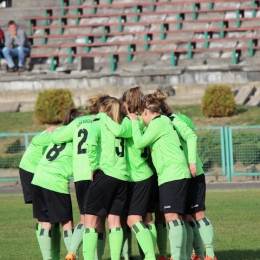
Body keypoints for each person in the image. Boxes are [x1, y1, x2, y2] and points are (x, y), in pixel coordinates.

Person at [128, 90, 192, 260]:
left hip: (173, 174)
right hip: (173, 173)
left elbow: (140, 143)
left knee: (172, 216)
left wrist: (134, 123)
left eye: (142, 116)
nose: (142, 119)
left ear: (145, 112)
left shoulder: (157, 122)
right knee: (178, 217)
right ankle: (183, 256)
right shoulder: (163, 121)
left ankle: (178, 256)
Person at [97, 86, 157, 260]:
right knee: (146, 219)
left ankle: (150, 256)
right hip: (141, 175)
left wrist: (102, 116)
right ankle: (146, 254)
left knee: (133, 220)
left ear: (125, 103)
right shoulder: (144, 120)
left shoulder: (131, 120)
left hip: (138, 176)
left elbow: (119, 131)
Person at [51, 94, 110, 260]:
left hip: (80, 175)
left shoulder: (77, 122)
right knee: (99, 220)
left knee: (84, 217)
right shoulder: (101, 121)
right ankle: (95, 257)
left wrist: (57, 130)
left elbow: (56, 138)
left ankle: (72, 251)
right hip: (97, 172)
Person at [31, 108, 85, 260]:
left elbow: (36, 141)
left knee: (45, 223)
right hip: (55, 181)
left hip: (38, 178)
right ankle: (72, 256)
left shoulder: (59, 133)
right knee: (67, 223)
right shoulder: (77, 138)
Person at [83, 97, 129, 260]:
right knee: (115, 221)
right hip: (122, 177)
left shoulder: (97, 123)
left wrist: (93, 166)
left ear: (102, 109)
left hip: (105, 175)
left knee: (90, 221)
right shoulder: (124, 125)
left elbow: (91, 145)